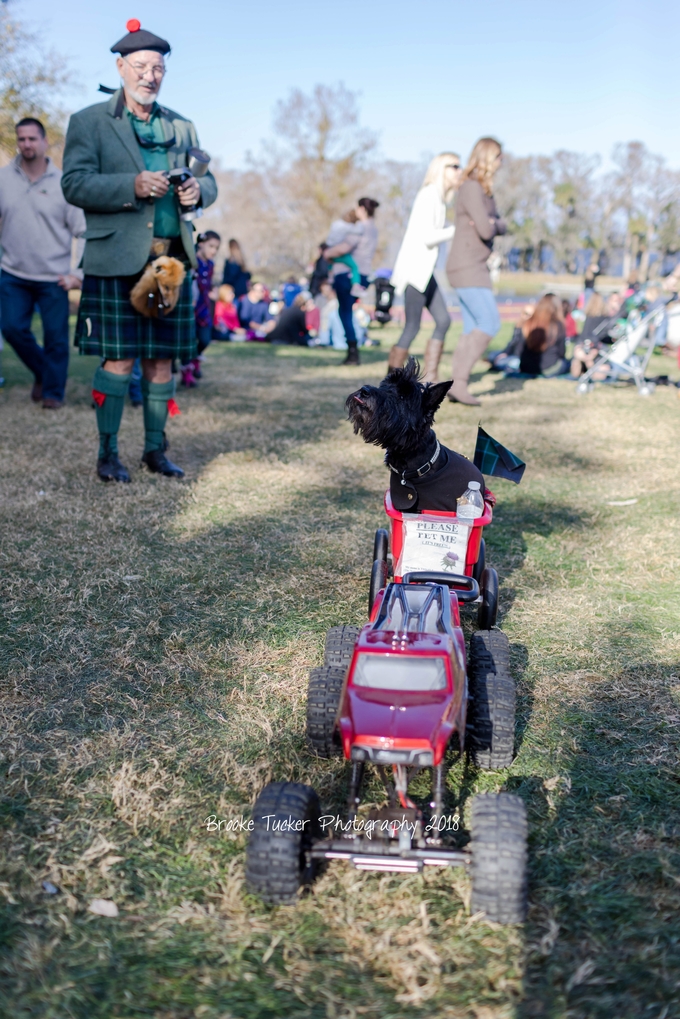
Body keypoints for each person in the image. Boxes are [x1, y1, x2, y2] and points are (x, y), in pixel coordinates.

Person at [61, 20, 217, 482]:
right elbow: (73, 183)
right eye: (142, 66)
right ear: (121, 67)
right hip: (116, 258)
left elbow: (207, 177)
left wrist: (197, 192)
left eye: (159, 68)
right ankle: (108, 454)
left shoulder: (181, 125)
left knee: (161, 360)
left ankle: (155, 450)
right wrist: (130, 185)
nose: (151, 75)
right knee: (119, 359)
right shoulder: (89, 121)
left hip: (170, 261)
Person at [0, 118, 86, 409]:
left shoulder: (63, 183)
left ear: (45, 141)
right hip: (13, 272)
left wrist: (77, 273)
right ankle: (42, 371)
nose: (26, 144)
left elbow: (83, 230)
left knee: (56, 340)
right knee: (11, 328)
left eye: (32, 139)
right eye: (21, 139)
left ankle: (53, 394)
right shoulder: (3, 179)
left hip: (54, 276)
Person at [390, 153, 462, 381]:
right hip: (415, 271)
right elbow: (427, 237)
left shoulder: (439, 199)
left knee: (444, 320)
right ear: (441, 168)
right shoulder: (428, 194)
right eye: (455, 166)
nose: (460, 171)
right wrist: (457, 229)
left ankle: (431, 380)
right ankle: (389, 385)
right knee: (412, 327)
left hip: (426, 273)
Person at [446, 137, 507, 405]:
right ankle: (459, 382)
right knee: (489, 322)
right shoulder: (471, 187)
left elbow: (494, 224)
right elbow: (485, 228)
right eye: (497, 157)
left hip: (475, 265)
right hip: (466, 265)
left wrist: (496, 222)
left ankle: (457, 385)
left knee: (472, 327)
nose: (500, 162)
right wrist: (495, 223)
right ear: (485, 158)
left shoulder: (483, 190)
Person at [323, 211, 364, 364]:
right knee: (354, 266)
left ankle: (351, 351)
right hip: (338, 258)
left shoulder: (337, 226)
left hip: (334, 260)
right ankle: (356, 284)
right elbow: (343, 247)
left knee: (344, 311)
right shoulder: (349, 229)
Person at [181, 230, 220, 387]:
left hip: (204, 308)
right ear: (201, 244)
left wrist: (213, 292)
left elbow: (208, 285)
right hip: (191, 307)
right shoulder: (192, 262)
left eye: (216, 248)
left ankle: (195, 360)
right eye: (211, 246)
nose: (214, 251)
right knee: (188, 341)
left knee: (204, 339)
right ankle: (187, 373)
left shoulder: (210, 265)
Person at [353, 197, 380, 287]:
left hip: (354, 274)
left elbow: (345, 247)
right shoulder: (375, 229)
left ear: (362, 209)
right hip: (366, 273)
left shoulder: (360, 226)